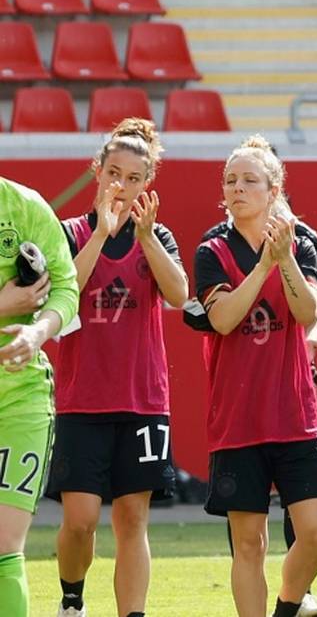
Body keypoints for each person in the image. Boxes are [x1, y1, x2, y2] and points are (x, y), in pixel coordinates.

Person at [49, 119, 188, 617]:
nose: (122, 186)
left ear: (146, 183)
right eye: (114, 173)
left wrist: (147, 238)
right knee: (81, 520)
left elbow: (179, 295)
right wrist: (101, 234)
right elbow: (65, 292)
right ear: (97, 171)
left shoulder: (158, 235)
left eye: (133, 178)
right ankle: (71, 599)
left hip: (142, 400)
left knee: (133, 518)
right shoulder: (69, 233)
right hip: (82, 399)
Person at [195, 136, 317, 617]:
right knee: (248, 543)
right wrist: (263, 267)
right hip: (238, 418)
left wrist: (286, 256)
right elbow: (223, 319)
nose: (237, 188)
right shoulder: (211, 250)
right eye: (230, 180)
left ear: (274, 190)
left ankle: (287, 608)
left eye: (250, 180)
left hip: (296, 413)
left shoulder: (304, 241)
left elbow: (303, 310)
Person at [0, 175, 79, 617]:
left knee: (5, 545)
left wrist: (37, 330)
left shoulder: (26, 205)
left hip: (20, 398)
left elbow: (66, 287)